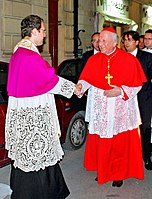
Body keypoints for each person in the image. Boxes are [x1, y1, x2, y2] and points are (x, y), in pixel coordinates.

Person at [5, 15, 81, 199]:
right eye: (43, 30)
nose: (45, 35)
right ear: (34, 31)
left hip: (25, 112)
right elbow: (49, 79)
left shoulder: (19, 53)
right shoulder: (28, 55)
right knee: (36, 154)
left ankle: (52, 190)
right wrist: (73, 88)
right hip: (33, 115)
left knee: (34, 156)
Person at [77, 27, 146, 187]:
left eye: (103, 41)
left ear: (114, 43)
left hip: (120, 109)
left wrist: (120, 91)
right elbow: (87, 79)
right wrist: (80, 87)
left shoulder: (129, 60)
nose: (99, 44)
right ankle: (103, 169)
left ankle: (118, 174)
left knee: (119, 143)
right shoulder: (94, 60)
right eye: (99, 40)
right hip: (101, 108)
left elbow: (137, 85)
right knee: (102, 141)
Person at [123, 30, 152, 170]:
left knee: (144, 128)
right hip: (124, 99)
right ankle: (128, 160)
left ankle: (146, 157)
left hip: (143, 98)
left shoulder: (147, 57)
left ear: (136, 42)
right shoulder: (120, 57)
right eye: (125, 40)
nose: (126, 43)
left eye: (129, 39)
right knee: (127, 130)